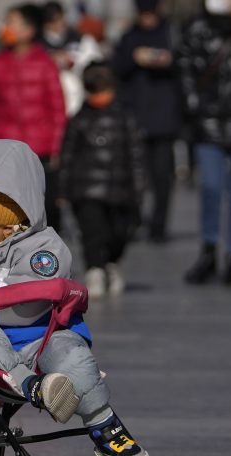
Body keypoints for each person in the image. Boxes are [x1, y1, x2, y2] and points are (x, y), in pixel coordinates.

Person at [0, 139, 150, 456]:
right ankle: (36, 387)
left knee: (73, 356)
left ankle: (106, 427)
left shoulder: (44, 250)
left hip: (42, 336)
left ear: (8, 224)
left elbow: (26, 298)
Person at [178, 0, 231, 285]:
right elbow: (184, 66)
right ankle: (209, 250)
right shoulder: (197, 28)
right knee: (211, 187)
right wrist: (195, 106)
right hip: (208, 119)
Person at [0, 3, 66, 231]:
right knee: (8, 210)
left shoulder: (45, 64)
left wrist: (57, 147)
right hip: (4, 150)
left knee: (43, 208)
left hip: (39, 151)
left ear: (29, 30)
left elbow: (57, 109)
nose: (6, 28)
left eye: (12, 23)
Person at [58, 62, 145, 299]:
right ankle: (94, 270)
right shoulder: (79, 120)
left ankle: (112, 263)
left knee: (119, 233)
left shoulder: (125, 117)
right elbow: (67, 156)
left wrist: (138, 188)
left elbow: (136, 155)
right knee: (92, 232)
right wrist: (63, 190)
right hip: (86, 189)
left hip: (120, 188)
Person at [112, 0, 183, 244]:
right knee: (133, 177)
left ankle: (159, 226)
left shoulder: (172, 33)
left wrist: (168, 60)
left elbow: (185, 66)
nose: (147, 19)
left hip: (164, 118)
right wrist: (134, 58)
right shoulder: (129, 37)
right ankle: (133, 221)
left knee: (162, 177)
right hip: (136, 117)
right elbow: (116, 69)